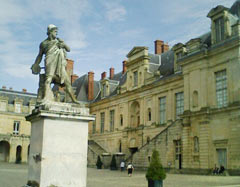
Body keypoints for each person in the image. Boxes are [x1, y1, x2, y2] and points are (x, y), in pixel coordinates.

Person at [31, 24, 79, 104]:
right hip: (49, 62)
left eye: (57, 31)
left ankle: (74, 100)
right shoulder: (43, 43)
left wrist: (63, 44)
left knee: (67, 82)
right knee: (48, 80)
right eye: (55, 31)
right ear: (50, 32)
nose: (56, 33)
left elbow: (68, 49)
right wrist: (36, 64)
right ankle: (46, 98)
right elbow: (39, 55)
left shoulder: (58, 41)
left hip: (59, 64)